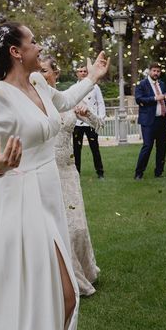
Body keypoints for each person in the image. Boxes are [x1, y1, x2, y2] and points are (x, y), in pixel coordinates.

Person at [0, 22, 109, 330]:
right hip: (20, 201)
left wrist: (92, 78)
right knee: (59, 295)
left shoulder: (38, 82)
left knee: (64, 295)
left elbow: (64, 101)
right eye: (33, 42)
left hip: (50, 195)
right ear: (16, 52)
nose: (39, 47)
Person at [40, 56, 101, 295]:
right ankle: (59, 279)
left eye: (45, 71)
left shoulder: (68, 98)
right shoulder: (35, 102)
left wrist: (87, 113)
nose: (41, 75)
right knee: (54, 226)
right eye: (38, 70)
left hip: (67, 171)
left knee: (77, 227)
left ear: (55, 73)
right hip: (45, 172)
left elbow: (98, 124)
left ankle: (83, 271)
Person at [134, 63, 166, 179]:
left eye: (158, 71)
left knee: (162, 147)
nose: (156, 73)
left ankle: (159, 172)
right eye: (154, 71)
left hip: (162, 120)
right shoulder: (142, 84)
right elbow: (138, 99)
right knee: (147, 146)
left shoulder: (162, 84)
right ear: (149, 71)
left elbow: (165, 100)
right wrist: (155, 98)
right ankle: (139, 173)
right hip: (148, 121)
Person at [72, 64, 106, 179]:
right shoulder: (74, 88)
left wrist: (101, 117)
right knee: (76, 149)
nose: (82, 73)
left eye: (84, 71)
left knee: (94, 147)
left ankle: (100, 172)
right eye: (80, 71)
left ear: (87, 72)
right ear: (77, 73)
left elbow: (100, 103)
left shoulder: (95, 87)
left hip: (91, 122)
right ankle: (77, 172)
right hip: (78, 122)